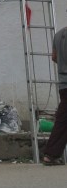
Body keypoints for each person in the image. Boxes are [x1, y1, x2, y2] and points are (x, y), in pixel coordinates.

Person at [42, 25, 67, 165]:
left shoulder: (58, 34)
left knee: (63, 120)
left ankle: (51, 155)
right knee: (63, 121)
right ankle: (50, 154)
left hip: (64, 83)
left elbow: (54, 57)